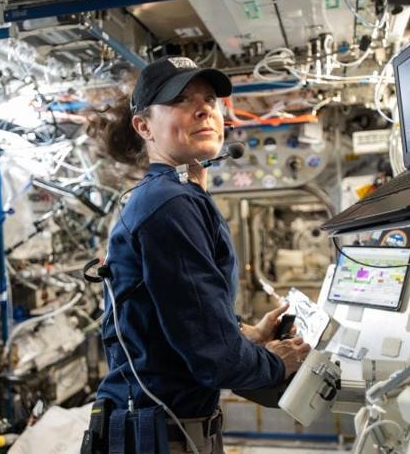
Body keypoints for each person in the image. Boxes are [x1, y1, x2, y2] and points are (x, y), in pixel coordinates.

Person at [87, 56, 310, 454]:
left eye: (209, 98)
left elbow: (179, 318)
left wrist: (248, 336)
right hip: (161, 435)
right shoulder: (169, 203)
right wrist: (276, 362)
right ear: (144, 126)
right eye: (181, 100)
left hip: (161, 426)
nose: (204, 108)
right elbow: (214, 359)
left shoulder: (171, 196)